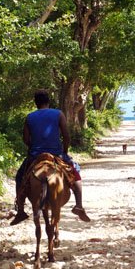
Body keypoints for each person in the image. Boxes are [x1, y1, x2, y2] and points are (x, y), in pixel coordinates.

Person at [10, 90, 90, 225]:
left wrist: (33, 147)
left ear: (36, 103)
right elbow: (66, 136)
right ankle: (79, 205)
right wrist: (64, 151)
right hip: (56, 153)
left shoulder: (30, 117)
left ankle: (21, 211)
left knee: (20, 177)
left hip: (36, 155)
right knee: (75, 170)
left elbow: (25, 138)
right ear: (48, 101)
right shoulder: (58, 114)